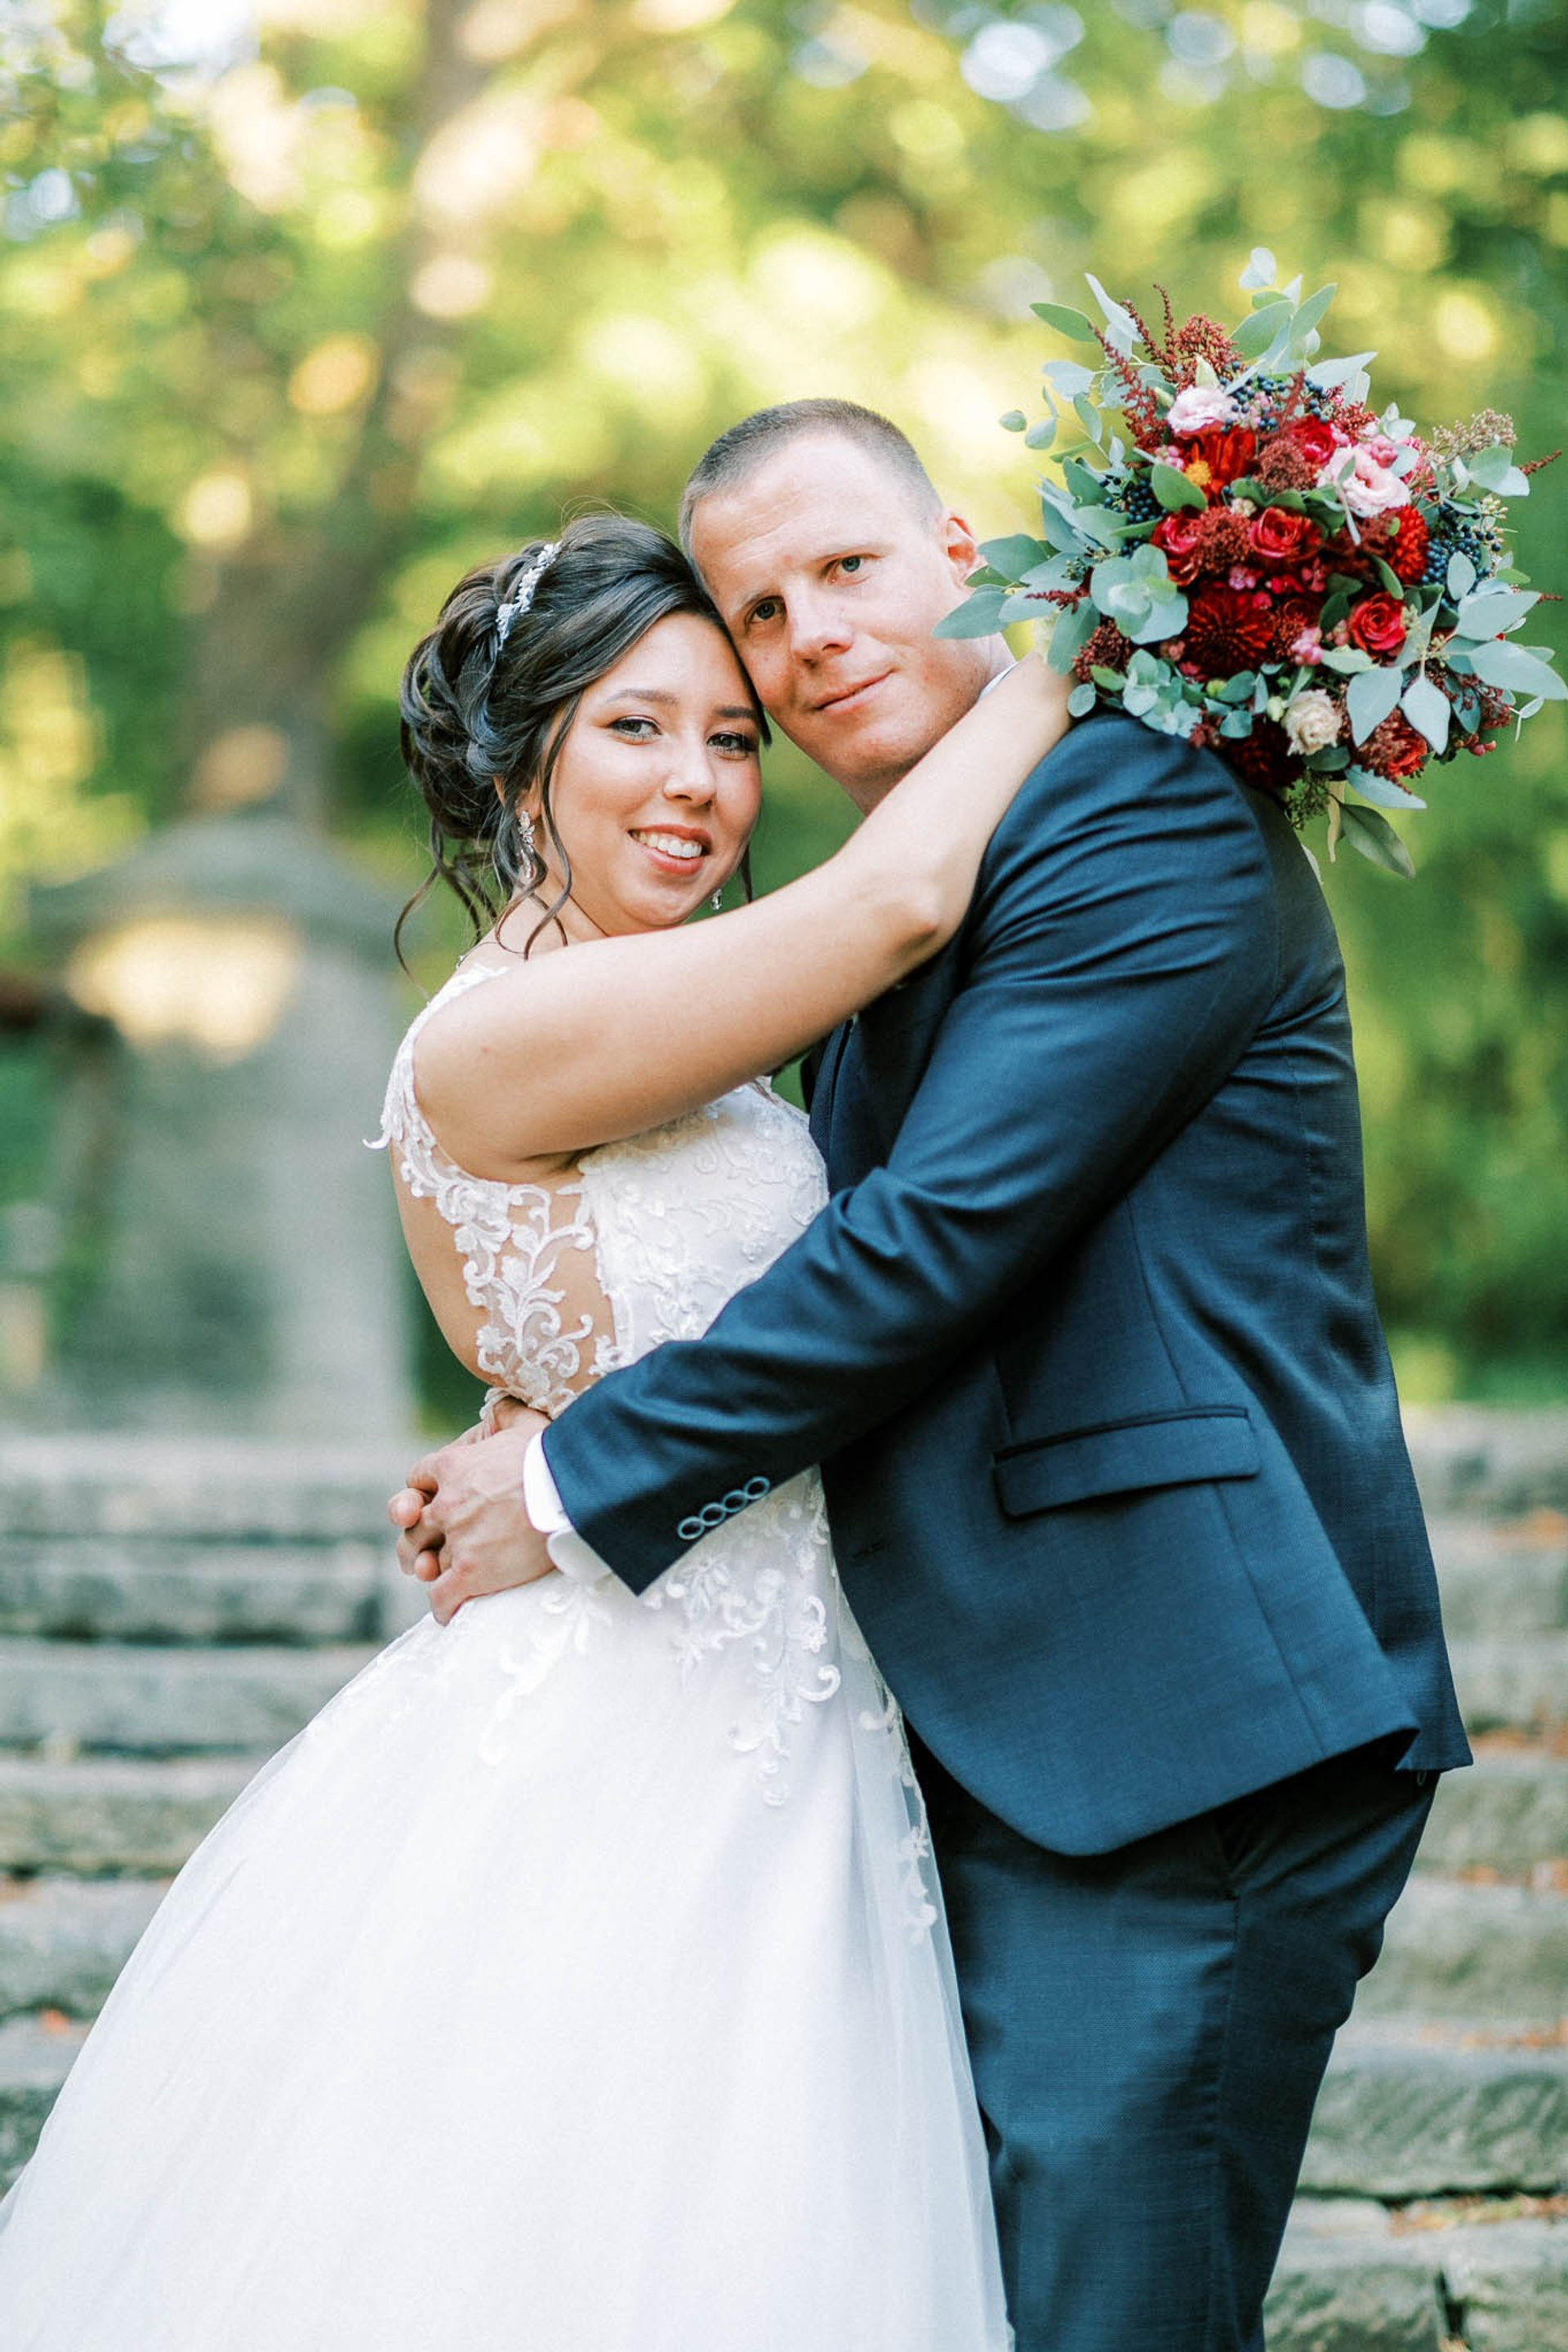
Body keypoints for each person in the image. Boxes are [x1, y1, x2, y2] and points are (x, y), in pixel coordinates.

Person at [394, 403, 1472, 2352]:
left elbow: (929, 1247)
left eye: (848, 569)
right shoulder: (912, 887)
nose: (806, 638)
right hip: (945, 1736)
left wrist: (571, 1479)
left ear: (976, 560)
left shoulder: (1132, 814)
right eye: (761, 613)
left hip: (1172, 1721)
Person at [0, 511, 1074, 2350]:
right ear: (522, 767)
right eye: (634, 730)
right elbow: (899, 901)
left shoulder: (680, 1016)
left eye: (731, 738)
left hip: (796, 1707)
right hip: (623, 1729)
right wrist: (1084, 629)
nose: (698, 784)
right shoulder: (504, 1034)